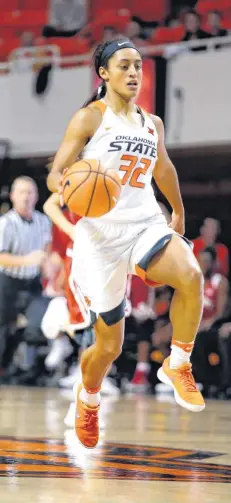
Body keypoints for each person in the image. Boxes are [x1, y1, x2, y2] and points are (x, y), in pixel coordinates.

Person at [47, 37, 205, 448]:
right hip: (100, 239)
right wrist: (66, 187)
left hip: (143, 222)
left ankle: (179, 362)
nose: (134, 72)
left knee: (190, 273)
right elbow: (57, 170)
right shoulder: (90, 118)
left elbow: (164, 167)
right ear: (104, 73)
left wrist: (178, 210)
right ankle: (89, 397)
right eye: (124, 66)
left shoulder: (152, 123)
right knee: (108, 346)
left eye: (138, 66)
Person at [0, 176, 51, 374]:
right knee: (3, 328)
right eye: (21, 192)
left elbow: (46, 248)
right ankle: (5, 368)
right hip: (7, 282)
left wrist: (48, 264)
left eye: (30, 192)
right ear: (13, 196)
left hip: (32, 282)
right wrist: (26, 260)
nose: (26, 197)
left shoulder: (43, 221)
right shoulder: (5, 223)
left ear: (36, 196)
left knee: (38, 325)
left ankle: (24, 367)